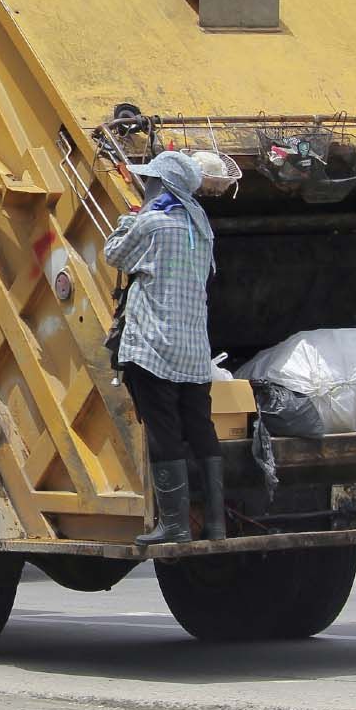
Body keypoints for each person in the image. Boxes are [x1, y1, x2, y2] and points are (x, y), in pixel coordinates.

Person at [104, 149, 224, 546]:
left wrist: (128, 220)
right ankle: (216, 523)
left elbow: (114, 254)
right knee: (200, 428)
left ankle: (174, 526)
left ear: (163, 184)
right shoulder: (202, 225)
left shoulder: (152, 222)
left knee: (164, 431)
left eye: (152, 181)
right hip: (193, 348)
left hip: (154, 347)